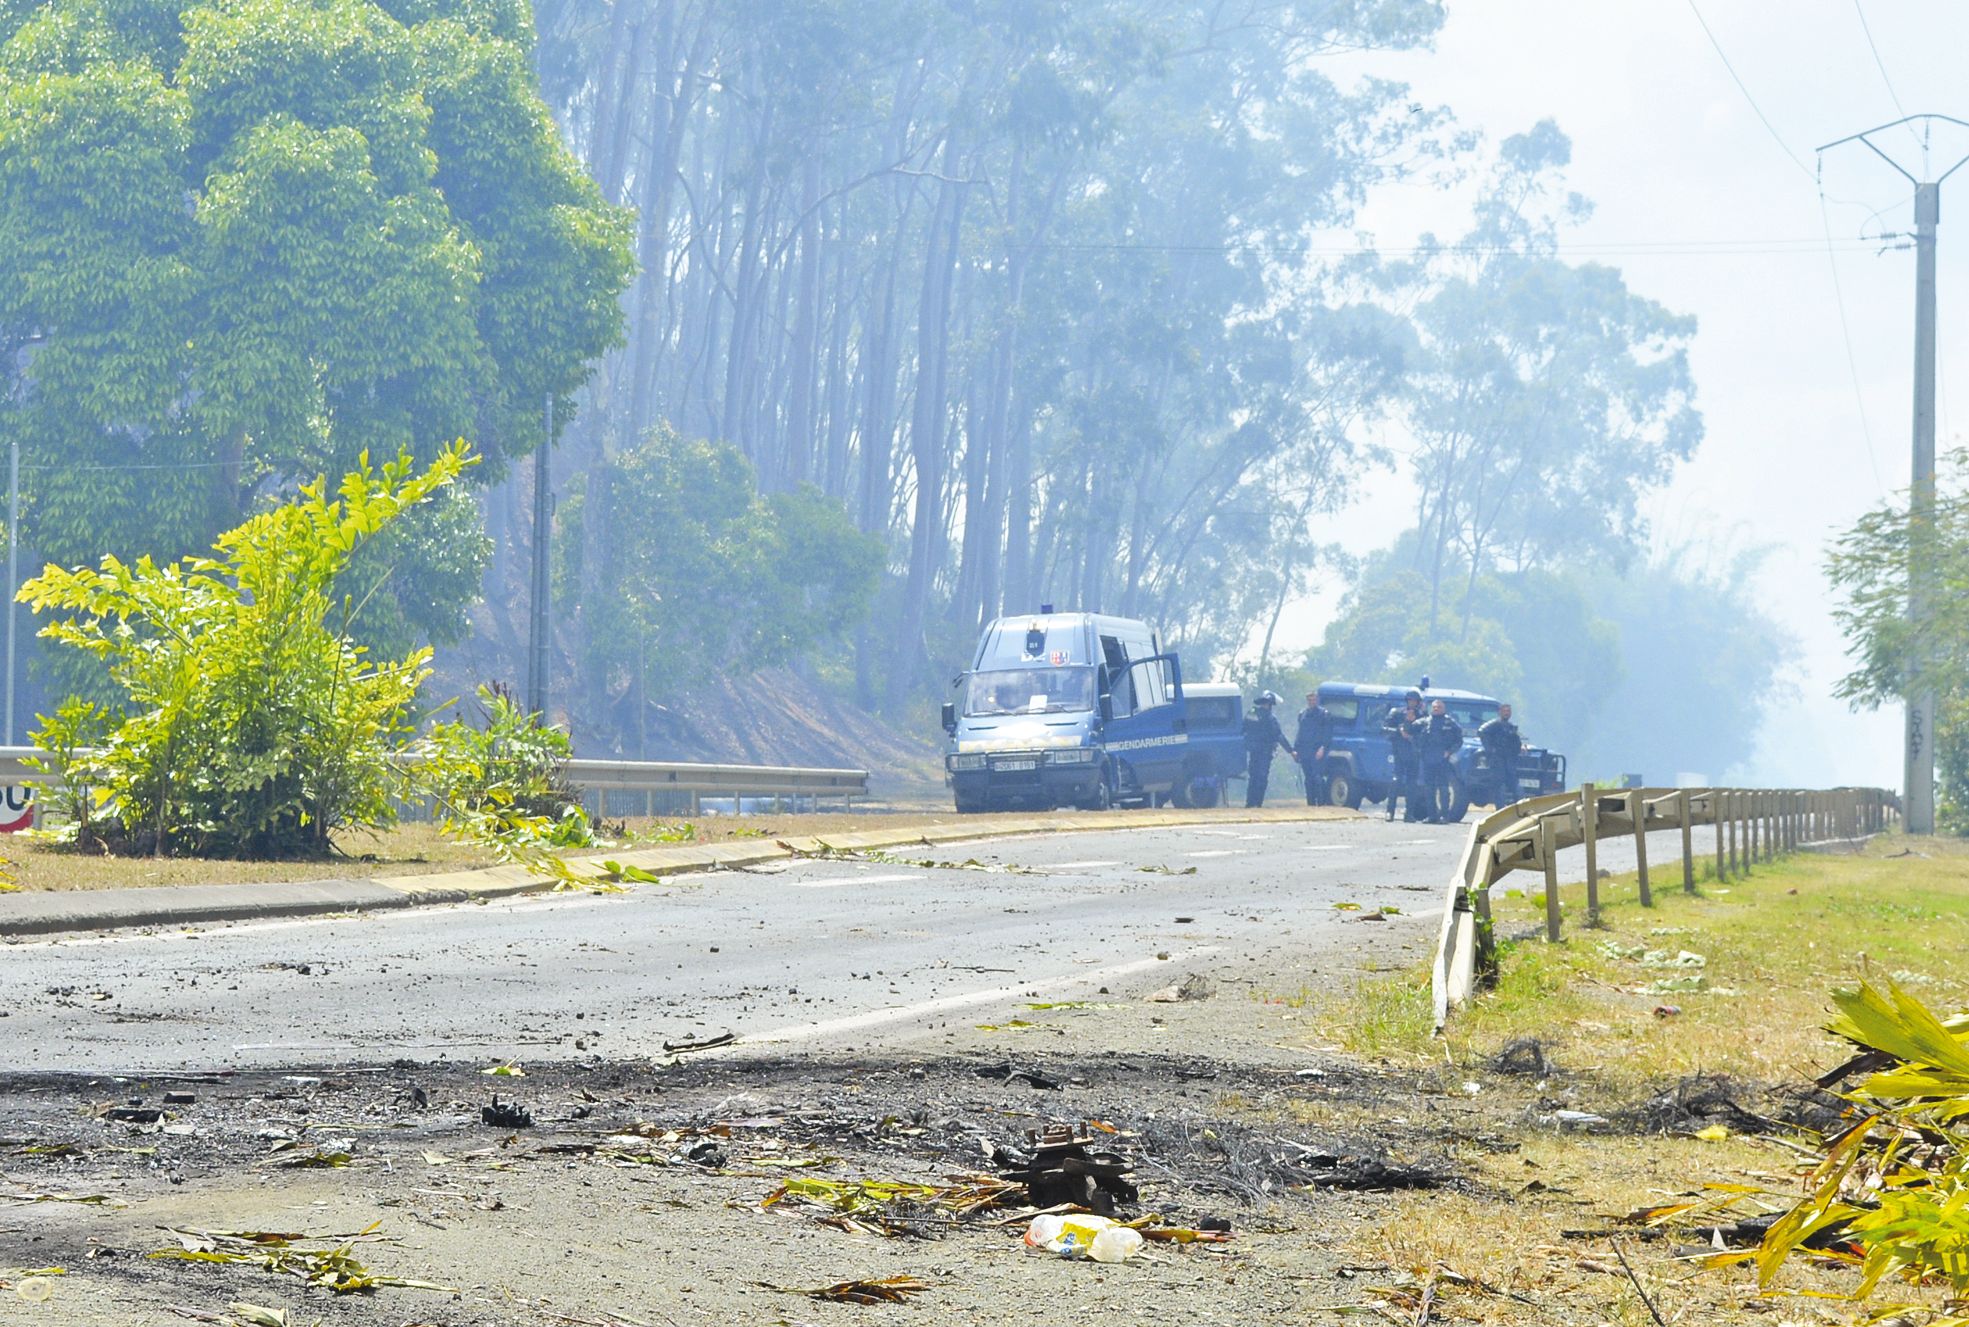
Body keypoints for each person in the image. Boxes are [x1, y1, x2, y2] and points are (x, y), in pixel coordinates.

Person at [1242, 691, 1295, 808]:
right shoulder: (1270, 718)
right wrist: (1291, 751)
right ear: (1269, 705)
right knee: (1262, 778)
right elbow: (1279, 736)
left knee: (1253, 777)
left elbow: (1243, 729)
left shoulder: (1251, 713)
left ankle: (1249, 803)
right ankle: (1257, 803)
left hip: (1253, 751)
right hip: (1264, 752)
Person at [1381, 690, 1424, 822]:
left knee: (1412, 784)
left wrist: (1412, 735)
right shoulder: (1396, 713)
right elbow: (1383, 729)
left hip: (1414, 752)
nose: (1412, 703)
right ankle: (1390, 811)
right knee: (1396, 781)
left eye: (1414, 701)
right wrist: (1399, 731)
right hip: (1399, 751)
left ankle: (1409, 813)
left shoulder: (1422, 716)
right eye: (1410, 700)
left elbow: (1426, 733)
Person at [1419, 697, 1464, 823]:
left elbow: (1459, 740)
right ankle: (1432, 816)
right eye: (1434, 707)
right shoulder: (1425, 721)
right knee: (1429, 789)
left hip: (1443, 761)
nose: (1436, 709)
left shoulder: (1450, 723)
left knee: (1443, 788)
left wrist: (1449, 751)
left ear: (1443, 709)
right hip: (1428, 759)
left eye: (1439, 707)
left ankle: (1444, 815)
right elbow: (1413, 733)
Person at [1477, 703, 1524, 808]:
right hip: (1498, 761)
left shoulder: (1511, 727)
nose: (1507, 713)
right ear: (1500, 712)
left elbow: (1516, 742)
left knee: (1516, 787)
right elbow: (1481, 731)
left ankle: (1521, 809)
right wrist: (1490, 750)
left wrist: (1519, 749)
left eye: (1509, 711)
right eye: (1505, 711)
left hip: (1510, 761)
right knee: (1499, 787)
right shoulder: (1495, 724)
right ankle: (1500, 809)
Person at [1295, 690, 1333, 805]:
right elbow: (1300, 733)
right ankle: (1310, 803)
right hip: (1304, 750)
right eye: (1309, 700)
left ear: (1317, 700)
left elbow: (1327, 733)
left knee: (1317, 777)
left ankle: (1321, 803)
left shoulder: (1324, 714)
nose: (1312, 702)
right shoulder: (1302, 714)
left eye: (1314, 699)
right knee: (1308, 778)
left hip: (1317, 750)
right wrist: (1295, 750)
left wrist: (1322, 748)